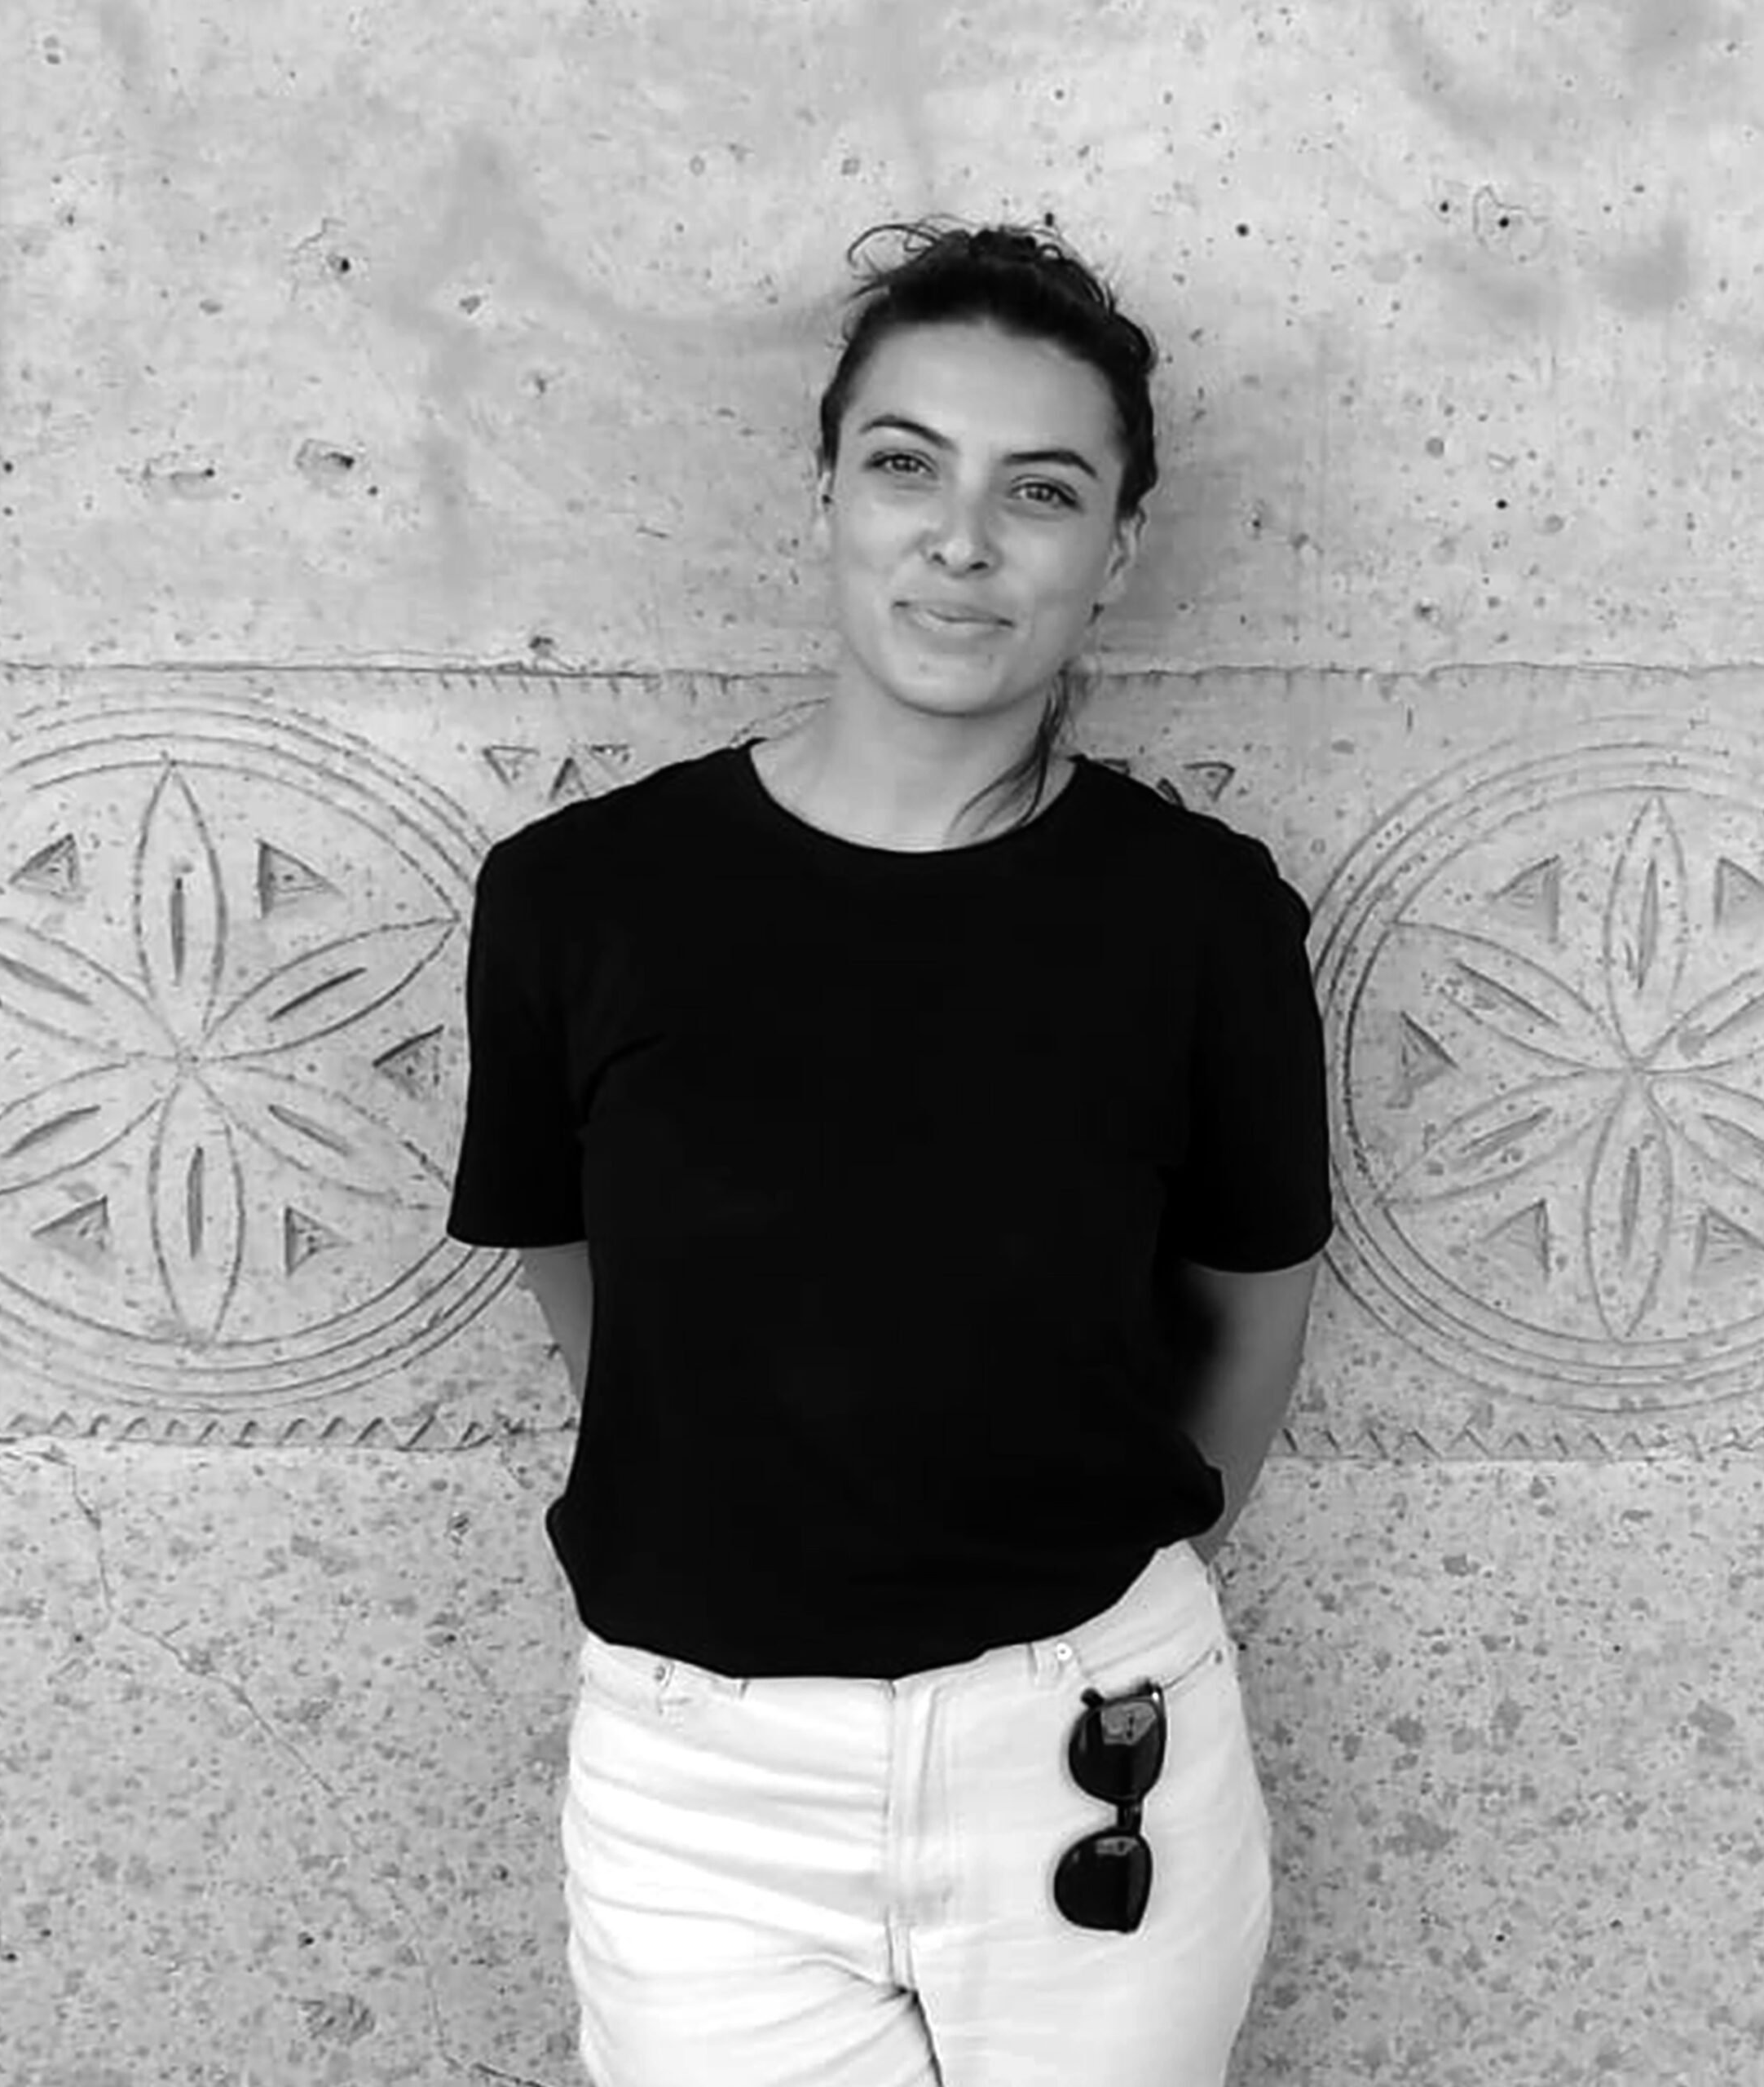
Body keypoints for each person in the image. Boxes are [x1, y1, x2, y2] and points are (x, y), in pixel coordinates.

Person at [447, 216, 1333, 2087]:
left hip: (1092, 1754)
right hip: (702, 1785)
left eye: (1041, 490)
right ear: (827, 495)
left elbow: (1250, 1309)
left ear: (1115, 551)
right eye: (906, 464)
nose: (960, 538)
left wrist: (1049, 1583)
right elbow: (579, 1273)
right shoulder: (578, 900)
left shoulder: (1198, 919)